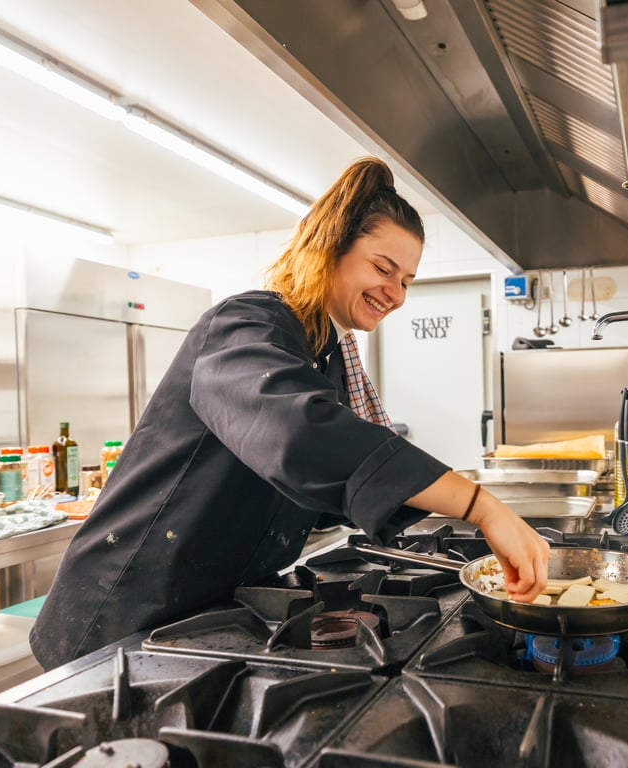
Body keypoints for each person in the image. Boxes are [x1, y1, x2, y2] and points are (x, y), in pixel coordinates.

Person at [29, 157, 550, 671]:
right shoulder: (243, 325)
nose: (396, 295)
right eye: (382, 269)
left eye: (407, 281)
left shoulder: (325, 354)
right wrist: (481, 506)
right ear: (330, 250)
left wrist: (412, 502)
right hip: (121, 615)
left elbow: (318, 488)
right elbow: (301, 436)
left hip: (205, 615)